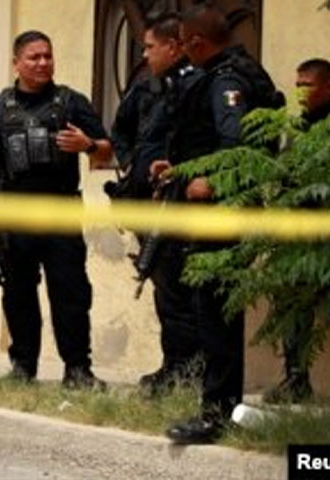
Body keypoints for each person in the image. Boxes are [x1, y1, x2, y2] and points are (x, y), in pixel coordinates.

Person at [154, 3, 284, 444]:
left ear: (196, 42)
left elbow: (235, 142)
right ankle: (219, 408)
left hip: (220, 214)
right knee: (214, 314)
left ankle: (216, 415)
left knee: (215, 317)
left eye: (183, 43)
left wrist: (211, 181)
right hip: (222, 210)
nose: (182, 52)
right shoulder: (234, 71)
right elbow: (211, 142)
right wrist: (181, 170)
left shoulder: (226, 81)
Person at [0, 30, 112, 387]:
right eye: (34, 57)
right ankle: (23, 367)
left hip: (60, 213)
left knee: (71, 293)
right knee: (18, 293)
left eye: (47, 56)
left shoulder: (72, 103)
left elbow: (106, 152)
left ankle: (78, 370)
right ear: (16, 63)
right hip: (11, 217)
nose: (43, 63)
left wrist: (88, 145)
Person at [129, 13, 204, 395]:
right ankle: (174, 366)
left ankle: (186, 371)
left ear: (174, 47)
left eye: (149, 47)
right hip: (155, 202)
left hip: (180, 206)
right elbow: (130, 135)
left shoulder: (193, 86)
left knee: (180, 296)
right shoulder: (154, 88)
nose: (144, 55)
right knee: (167, 294)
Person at [263, 58, 330, 404]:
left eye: (308, 85)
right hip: (296, 234)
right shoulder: (296, 127)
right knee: (291, 305)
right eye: (298, 85)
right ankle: (296, 378)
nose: (301, 91)